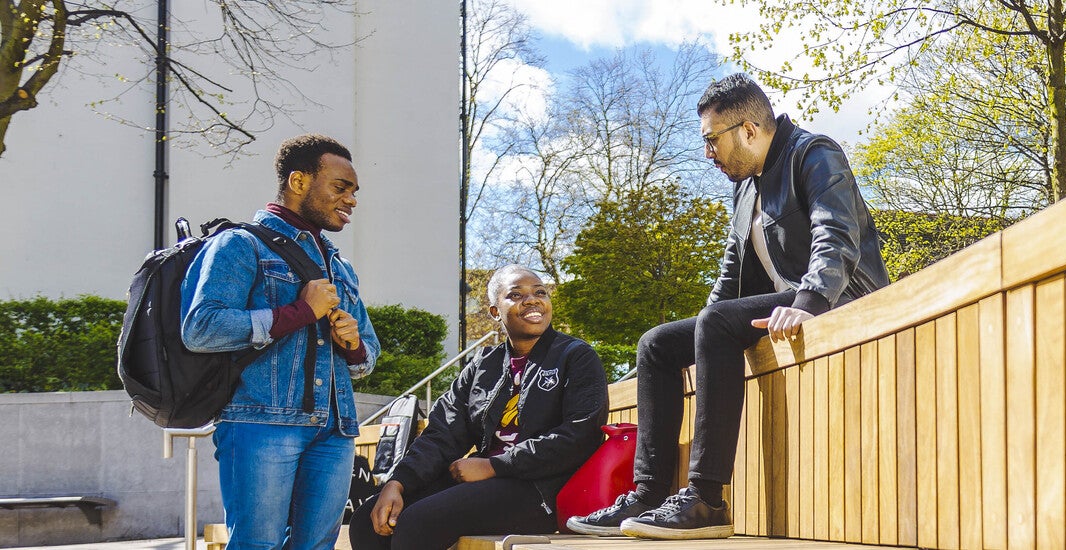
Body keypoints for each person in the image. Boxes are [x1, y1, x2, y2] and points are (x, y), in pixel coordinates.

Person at [567, 72, 890, 540]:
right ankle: (648, 494)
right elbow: (730, 277)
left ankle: (705, 498)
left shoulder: (814, 153)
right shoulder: (745, 186)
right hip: (783, 306)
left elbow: (836, 235)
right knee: (656, 344)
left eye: (711, 139)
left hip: (838, 297)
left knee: (715, 323)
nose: (708, 153)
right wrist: (695, 334)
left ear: (749, 130)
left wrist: (811, 300)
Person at [180, 134, 381, 550]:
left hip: (335, 430)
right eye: (340, 187)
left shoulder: (340, 266)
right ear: (298, 181)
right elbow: (201, 327)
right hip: (261, 422)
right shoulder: (241, 244)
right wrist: (299, 312)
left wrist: (353, 345)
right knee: (258, 545)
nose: (351, 200)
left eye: (355, 191)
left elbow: (367, 357)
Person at [350, 265, 608, 550]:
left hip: (544, 489)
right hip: (486, 481)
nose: (532, 300)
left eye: (540, 292)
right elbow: (443, 433)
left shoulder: (575, 356)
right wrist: (398, 483)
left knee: (419, 523)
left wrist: (494, 466)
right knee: (368, 520)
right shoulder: (484, 365)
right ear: (495, 312)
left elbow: (580, 435)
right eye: (516, 295)